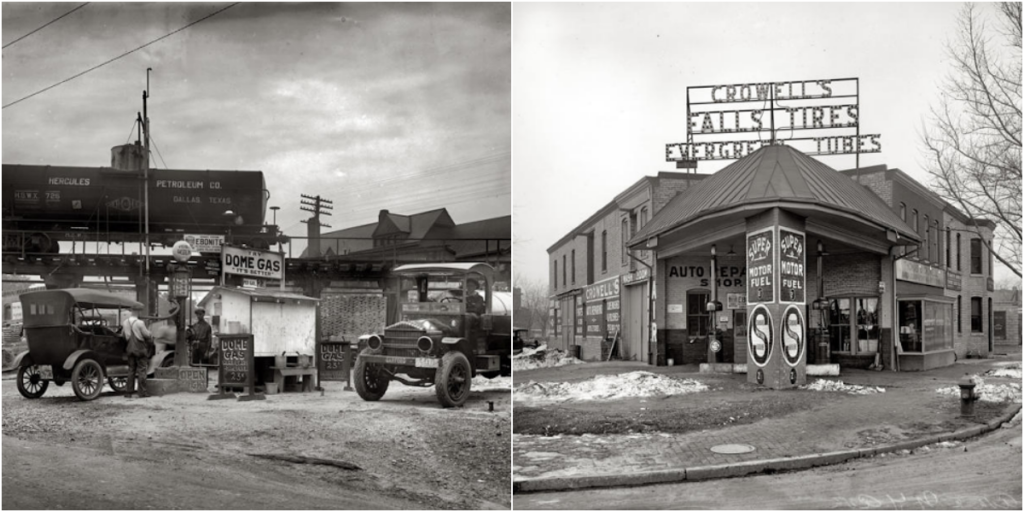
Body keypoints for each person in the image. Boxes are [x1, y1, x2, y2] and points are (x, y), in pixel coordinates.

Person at [121, 304, 154, 398]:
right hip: (139, 350)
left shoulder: (125, 322)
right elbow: (147, 335)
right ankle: (142, 392)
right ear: (138, 311)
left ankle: (128, 392)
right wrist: (150, 333)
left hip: (130, 349)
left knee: (131, 370)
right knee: (142, 370)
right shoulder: (140, 323)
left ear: (131, 311)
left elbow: (123, 335)